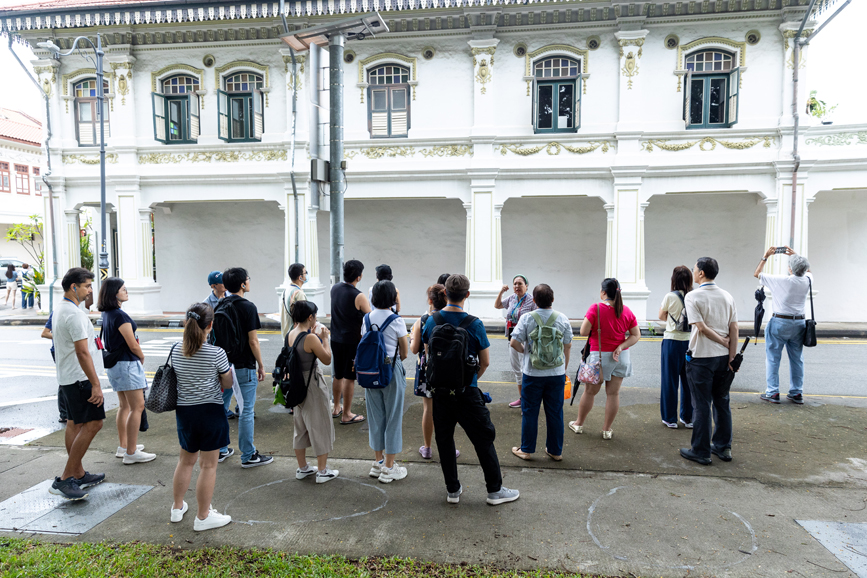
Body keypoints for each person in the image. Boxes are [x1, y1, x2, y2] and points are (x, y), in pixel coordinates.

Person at [423, 274, 520, 506]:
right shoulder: (474, 323)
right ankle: (494, 491)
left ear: (444, 293)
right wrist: (467, 380)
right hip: (467, 393)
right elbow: (485, 362)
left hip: (441, 394)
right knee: (483, 438)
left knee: (445, 440)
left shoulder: (431, 321)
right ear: (467, 295)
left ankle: (453, 490)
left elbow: (429, 356)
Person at [170, 302, 233, 531]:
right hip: (210, 412)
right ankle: (203, 517)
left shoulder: (175, 349)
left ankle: (177, 508)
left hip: (185, 412)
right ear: (210, 326)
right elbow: (227, 382)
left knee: (185, 461)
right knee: (208, 466)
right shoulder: (216, 353)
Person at [49, 267, 106, 500]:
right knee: (94, 424)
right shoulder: (73, 314)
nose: (90, 290)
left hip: (68, 377)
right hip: (80, 379)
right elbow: (83, 353)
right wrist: (96, 384)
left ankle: (79, 473)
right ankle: (65, 479)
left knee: (74, 423)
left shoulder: (62, 308)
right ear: (74, 287)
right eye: (87, 286)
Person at [680, 257, 738, 466]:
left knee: (702, 404)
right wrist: (732, 355)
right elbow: (734, 328)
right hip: (723, 359)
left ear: (702, 273)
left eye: (695, 269)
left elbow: (701, 327)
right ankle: (723, 447)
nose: (694, 272)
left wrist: (721, 340)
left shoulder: (693, 296)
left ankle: (701, 451)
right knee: (722, 402)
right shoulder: (727, 296)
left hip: (701, 357)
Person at [215, 267, 273, 468]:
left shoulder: (220, 304)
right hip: (243, 365)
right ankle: (248, 455)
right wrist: (261, 365)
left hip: (223, 365)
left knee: (222, 406)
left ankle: (221, 450)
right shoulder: (248, 307)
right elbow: (253, 341)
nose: (249, 281)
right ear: (242, 284)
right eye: (248, 279)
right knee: (246, 410)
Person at [569, 278, 640, 440]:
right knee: (613, 394)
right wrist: (621, 346)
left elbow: (584, 331)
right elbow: (636, 335)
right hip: (621, 356)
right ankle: (607, 430)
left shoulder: (596, 309)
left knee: (590, 392)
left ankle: (579, 424)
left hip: (599, 357)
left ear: (603, 293)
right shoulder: (626, 311)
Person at [509, 284, 572, 461]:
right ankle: (555, 451)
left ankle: (527, 450)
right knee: (555, 412)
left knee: (530, 411)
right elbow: (567, 345)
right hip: (556, 374)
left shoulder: (527, 318)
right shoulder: (563, 318)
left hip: (532, 374)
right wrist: (564, 368)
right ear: (552, 299)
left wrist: (527, 352)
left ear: (534, 300)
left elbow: (514, 343)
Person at [98, 277, 155, 464]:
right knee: (137, 406)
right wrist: (141, 355)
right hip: (127, 364)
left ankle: (124, 446)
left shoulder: (107, 314)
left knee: (125, 406)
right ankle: (131, 452)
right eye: (123, 289)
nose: (126, 291)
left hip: (115, 365)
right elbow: (132, 343)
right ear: (114, 293)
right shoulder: (120, 316)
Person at [287, 301, 339, 483]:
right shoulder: (310, 338)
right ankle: (323, 471)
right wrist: (324, 338)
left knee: (300, 426)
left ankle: (302, 468)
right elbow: (326, 359)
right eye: (315, 316)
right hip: (312, 384)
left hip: (297, 383)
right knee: (320, 425)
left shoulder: (291, 334)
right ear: (310, 317)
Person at [363, 280, 410, 484]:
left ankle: (378, 462)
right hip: (390, 370)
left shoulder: (366, 318)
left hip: (370, 373)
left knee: (375, 418)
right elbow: (405, 352)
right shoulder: (396, 320)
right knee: (393, 417)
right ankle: (389, 468)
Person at [754, 247, 812, 405]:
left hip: (779, 322)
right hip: (799, 323)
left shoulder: (781, 280)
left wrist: (765, 256)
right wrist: (795, 255)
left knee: (773, 358)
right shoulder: (808, 280)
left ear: (790, 269)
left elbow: (757, 273)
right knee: (797, 359)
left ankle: (773, 392)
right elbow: (808, 270)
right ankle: (796, 392)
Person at [410, 283, 459, 460]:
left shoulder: (423, 320)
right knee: (447, 410)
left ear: (430, 300)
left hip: (427, 371)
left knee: (427, 409)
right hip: (447, 370)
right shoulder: (451, 318)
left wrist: (411, 339)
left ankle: (427, 448)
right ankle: (449, 449)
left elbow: (415, 349)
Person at [330, 259, 371, 424]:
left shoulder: (335, 289)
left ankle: (336, 408)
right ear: (359, 277)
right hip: (351, 341)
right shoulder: (359, 296)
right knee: (349, 376)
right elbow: (370, 317)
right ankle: (347, 414)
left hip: (335, 338)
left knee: (337, 374)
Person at [658, 266, 694, 429]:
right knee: (689, 382)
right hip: (691, 342)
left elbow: (661, 316)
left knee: (670, 380)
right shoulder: (694, 295)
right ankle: (688, 418)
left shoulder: (670, 296)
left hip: (672, 341)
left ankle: (670, 418)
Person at [494, 275, 537, 408]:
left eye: (520, 283)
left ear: (526, 285)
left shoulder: (531, 300)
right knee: (517, 370)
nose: (517, 286)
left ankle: (529, 401)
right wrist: (501, 292)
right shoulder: (512, 298)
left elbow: (536, 319)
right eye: (515, 284)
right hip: (512, 338)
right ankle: (522, 399)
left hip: (525, 340)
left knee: (526, 370)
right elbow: (497, 305)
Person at [203, 271, 236, 422]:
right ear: (213, 286)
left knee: (231, 378)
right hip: (215, 347)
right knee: (219, 379)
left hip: (231, 345)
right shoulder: (206, 304)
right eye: (221, 282)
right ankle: (219, 408)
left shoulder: (231, 298)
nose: (224, 284)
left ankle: (225, 407)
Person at [280, 262, 308, 339]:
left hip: (287, 335)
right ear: (300, 277)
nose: (307, 275)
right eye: (306, 273)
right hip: (296, 336)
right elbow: (304, 318)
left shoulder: (286, 290)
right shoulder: (298, 293)